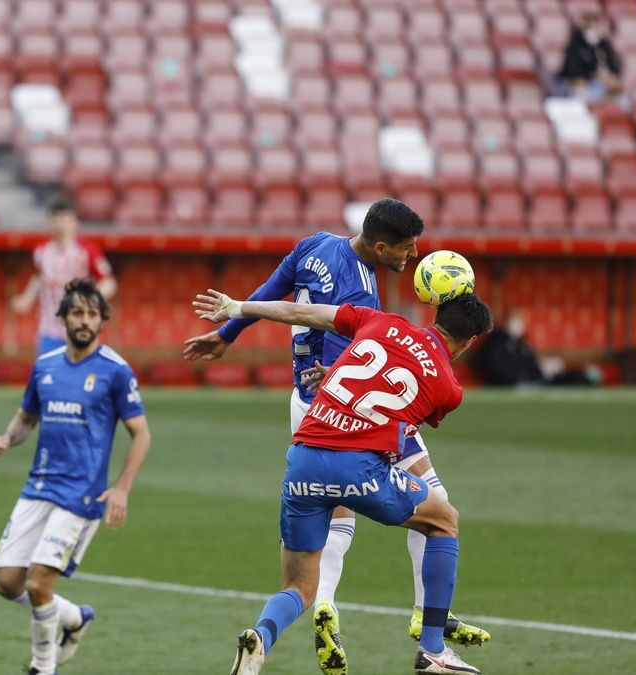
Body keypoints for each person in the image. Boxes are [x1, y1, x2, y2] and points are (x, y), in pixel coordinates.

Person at [182, 199, 488, 674]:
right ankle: (431, 634)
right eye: (405, 250)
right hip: (354, 423)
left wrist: (233, 321)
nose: (410, 258)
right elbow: (402, 400)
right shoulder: (371, 304)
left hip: (307, 432)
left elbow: (283, 301)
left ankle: (273, 629)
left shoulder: (317, 248)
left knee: (298, 581)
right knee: (440, 513)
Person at [0, 278, 151, 675]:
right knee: (8, 582)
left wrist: (122, 489)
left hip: (82, 496)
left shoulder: (115, 371)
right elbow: (27, 417)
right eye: (77, 312)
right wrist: (8, 439)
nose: (84, 320)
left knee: (39, 583)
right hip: (39, 486)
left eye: (92, 314)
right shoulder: (45, 367)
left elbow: (141, 434)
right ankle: (76, 617)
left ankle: (43, 667)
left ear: (101, 320)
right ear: (63, 318)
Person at [11, 200, 117, 355]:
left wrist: (90, 297)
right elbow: (39, 277)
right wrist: (26, 299)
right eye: (57, 219)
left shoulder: (87, 251)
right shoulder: (41, 251)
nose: (62, 225)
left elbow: (109, 282)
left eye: (66, 220)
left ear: (75, 222)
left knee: (82, 375)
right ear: (50, 222)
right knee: (49, 375)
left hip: (81, 328)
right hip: (48, 329)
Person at [555, 11, 623, 102]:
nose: (594, 31)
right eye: (591, 27)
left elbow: (613, 68)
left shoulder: (603, 45)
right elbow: (573, 71)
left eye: (596, 28)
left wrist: (612, 79)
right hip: (574, 85)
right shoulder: (575, 43)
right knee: (580, 95)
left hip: (597, 85)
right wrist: (592, 76)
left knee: (621, 99)